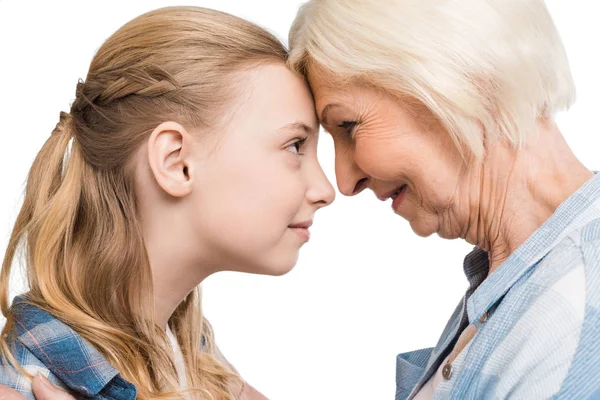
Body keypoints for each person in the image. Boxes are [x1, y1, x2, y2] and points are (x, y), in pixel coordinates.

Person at [0, 6, 334, 399]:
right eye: (295, 145)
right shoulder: (26, 381)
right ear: (177, 163)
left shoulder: (198, 365)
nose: (326, 189)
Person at [287, 0, 600, 398]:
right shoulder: (525, 284)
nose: (344, 182)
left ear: (464, 78)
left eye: (348, 125)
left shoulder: (577, 307)